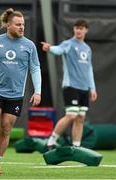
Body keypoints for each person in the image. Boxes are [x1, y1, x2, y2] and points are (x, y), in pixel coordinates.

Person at [0, 8, 41, 174]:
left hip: (16, 95)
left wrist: (37, 91)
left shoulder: (29, 45)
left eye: (23, 25)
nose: (22, 27)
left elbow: (35, 69)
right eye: (18, 24)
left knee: (5, 129)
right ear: (8, 25)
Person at [41, 19, 97, 149]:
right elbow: (59, 50)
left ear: (86, 30)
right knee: (71, 115)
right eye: (76, 28)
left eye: (81, 28)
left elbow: (89, 70)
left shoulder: (87, 49)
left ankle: (76, 146)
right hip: (71, 86)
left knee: (80, 118)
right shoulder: (69, 44)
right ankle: (52, 140)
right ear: (74, 29)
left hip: (84, 88)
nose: (78, 30)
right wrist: (50, 48)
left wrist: (92, 88)